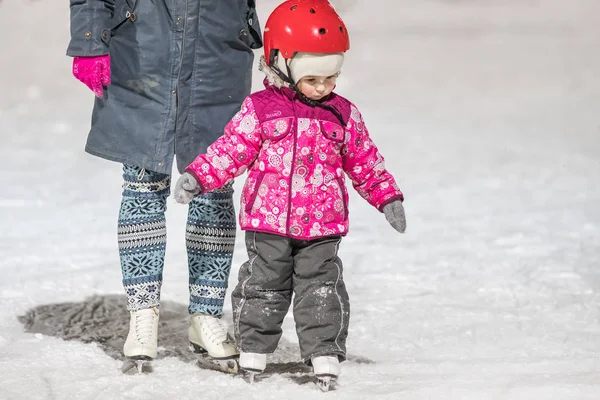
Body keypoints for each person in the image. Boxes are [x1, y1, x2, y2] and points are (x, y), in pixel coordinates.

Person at [173, 0, 407, 388]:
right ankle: (254, 349)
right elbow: (232, 149)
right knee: (264, 285)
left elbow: (365, 160)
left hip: (322, 225)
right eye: (314, 79)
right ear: (281, 63)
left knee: (322, 288)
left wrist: (387, 197)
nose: (324, 87)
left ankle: (323, 352)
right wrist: (199, 176)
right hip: (269, 222)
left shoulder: (343, 114)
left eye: (331, 78)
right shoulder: (261, 110)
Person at [66, 0, 262, 370]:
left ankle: (206, 315)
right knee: (142, 183)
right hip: (143, 48)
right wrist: (89, 42)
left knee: (214, 188)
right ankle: (143, 313)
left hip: (216, 51)